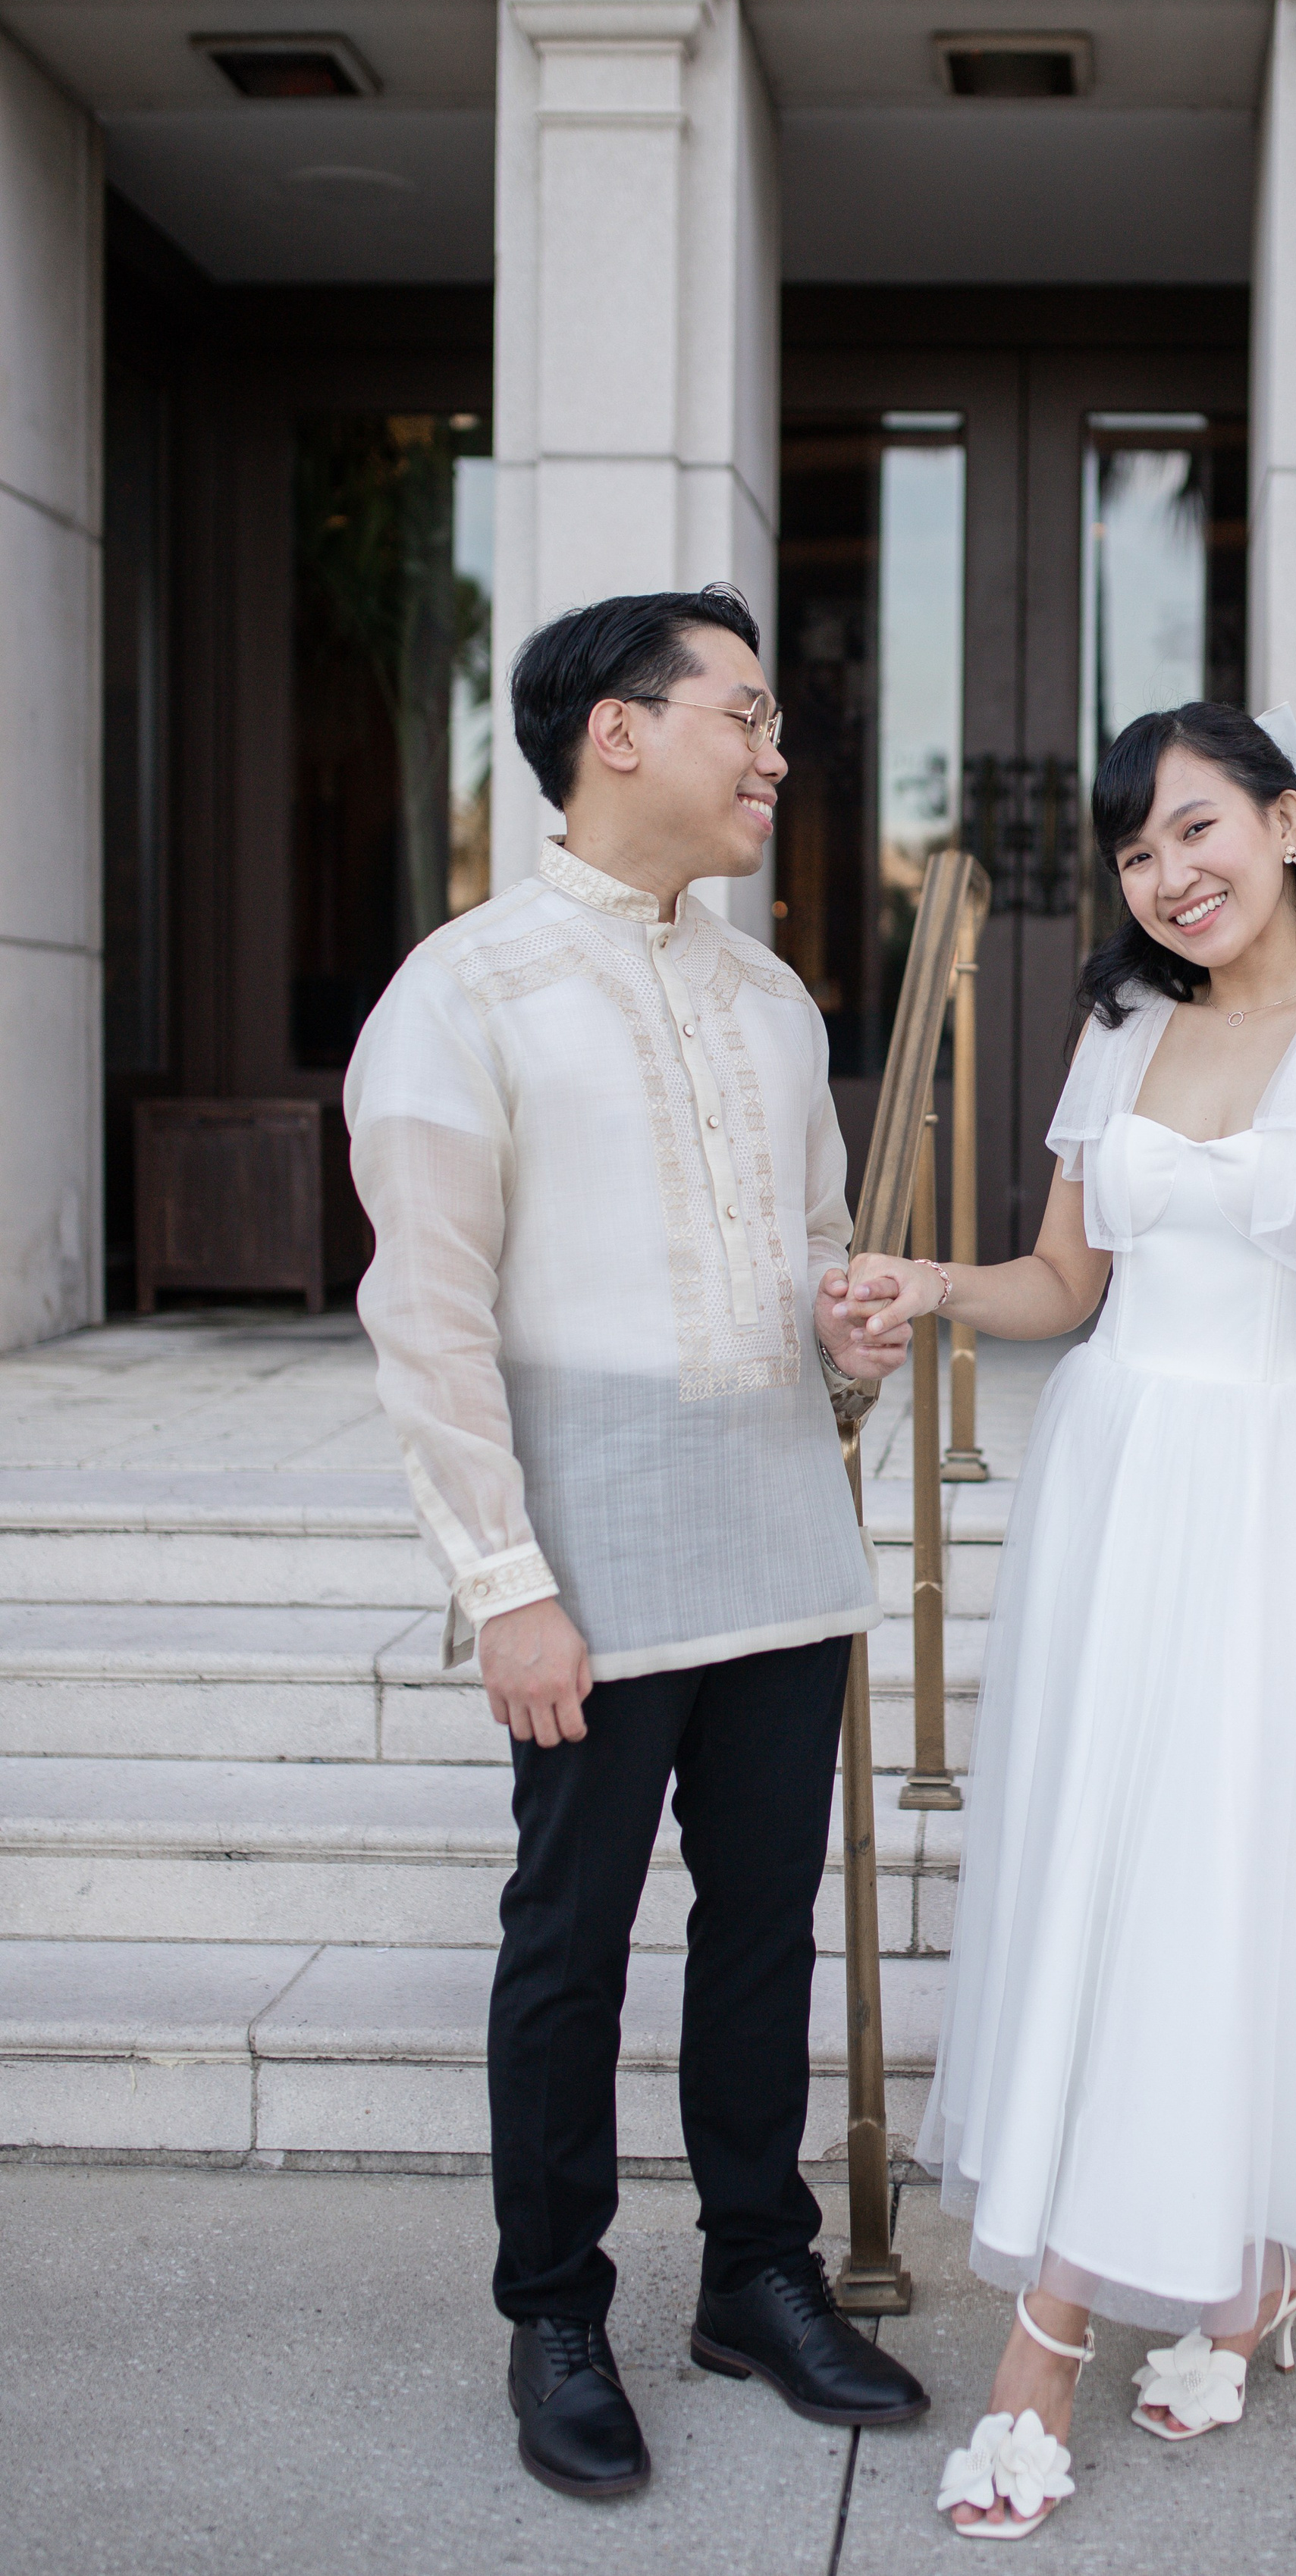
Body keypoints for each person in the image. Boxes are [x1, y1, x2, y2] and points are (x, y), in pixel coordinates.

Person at [836, 700, 1296, 2540]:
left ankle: (1045, 2344)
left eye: (1199, 829)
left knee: (1231, 1873)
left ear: (1286, 822)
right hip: (1117, 1485)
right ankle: (1233, 2269)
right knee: (1110, 1866)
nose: (1170, 875)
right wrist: (925, 1283)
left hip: (1279, 1491)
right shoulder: (1123, 1019)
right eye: (1138, 851)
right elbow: (1066, 1282)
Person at [345, 586, 929, 2502]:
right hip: (583, 1563)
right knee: (570, 1946)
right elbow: (425, 1323)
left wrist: (844, 1345)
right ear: (616, 730)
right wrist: (502, 1585)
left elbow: (809, 1264)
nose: (776, 754)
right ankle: (554, 2309)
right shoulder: (463, 989)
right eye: (744, 716)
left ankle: (753, 2274)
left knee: (763, 1935)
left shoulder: (773, 1002)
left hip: (774, 1533)